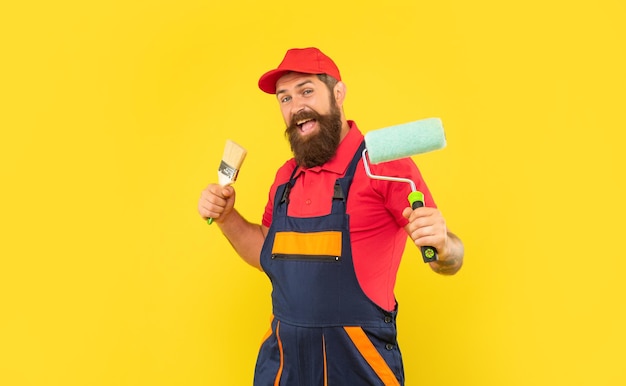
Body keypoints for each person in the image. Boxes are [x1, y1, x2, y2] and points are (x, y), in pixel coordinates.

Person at [198, 47, 464, 386]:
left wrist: (443, 245)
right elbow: (267, 251)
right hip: (283, 365)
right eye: (285, 98)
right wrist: (227, 217)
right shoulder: (285, 177)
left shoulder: (383, 167)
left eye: (307, 91)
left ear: (338, 94)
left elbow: (450, 259)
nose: (296, 107)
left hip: (356, 363)